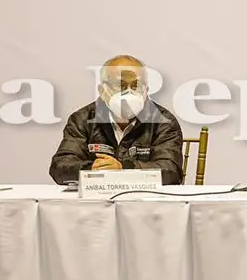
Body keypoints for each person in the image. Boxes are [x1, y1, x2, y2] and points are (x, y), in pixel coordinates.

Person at [49, 55, 184, 185]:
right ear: (102, 90)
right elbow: (60, 166)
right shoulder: (83, 119)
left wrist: (123, 169)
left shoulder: (163, 121)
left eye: (136, 86)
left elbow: (171, 171)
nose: (129, 93)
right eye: (120, 86)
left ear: (146, 90)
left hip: (145, 203)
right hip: (96, 201)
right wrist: (92, 169)